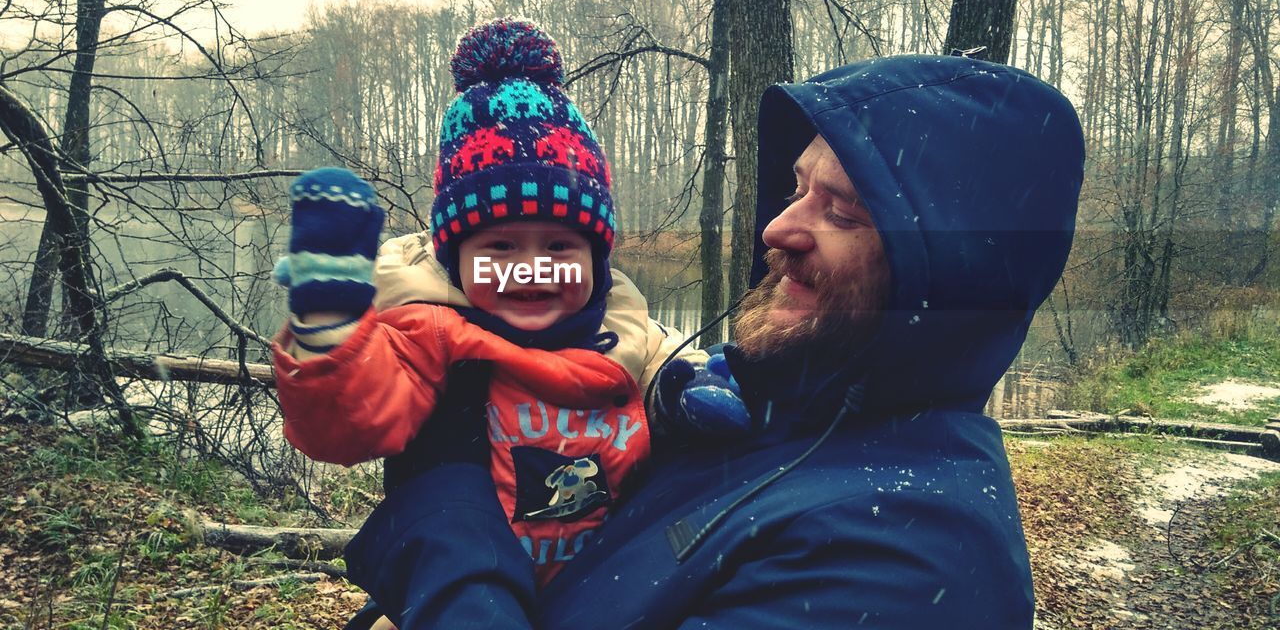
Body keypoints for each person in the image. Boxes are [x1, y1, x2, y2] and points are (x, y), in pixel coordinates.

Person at [342, 52, 1086, 629]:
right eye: (798, 189)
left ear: (949, 271)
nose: (778, 228)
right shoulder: (789, 406)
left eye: (845, 212)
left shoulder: (911, 562)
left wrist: (443, 498)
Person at [271, 20, 747, 628]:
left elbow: (663, 372)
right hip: (463, 589)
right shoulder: (430, 332)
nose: (532, 270)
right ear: (455, 259)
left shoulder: (628, 331)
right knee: (450, 530)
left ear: (599, 260)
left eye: (559, 245)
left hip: (597, 582)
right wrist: (331, 325)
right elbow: (347, 421)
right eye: (499, 247)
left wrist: (687, 393)